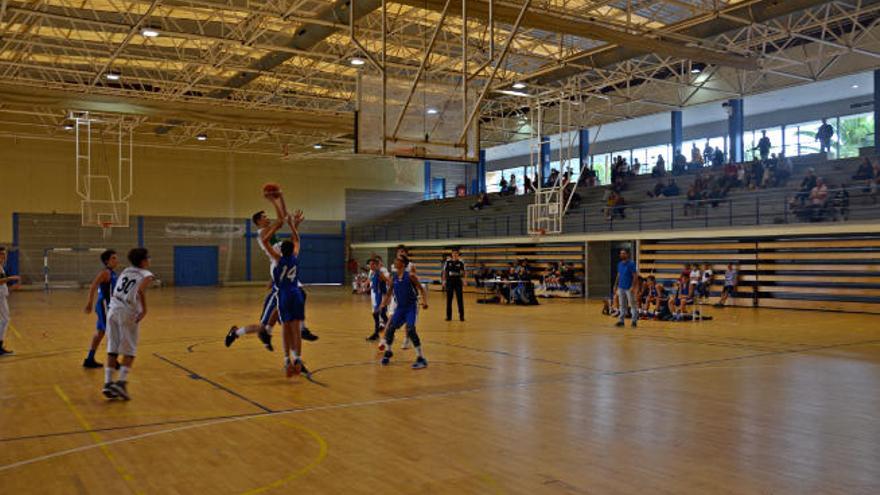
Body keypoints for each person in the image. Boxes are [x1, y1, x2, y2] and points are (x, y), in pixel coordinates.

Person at [102, 247, 155, 400]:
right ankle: (121, 383)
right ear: (144, 261)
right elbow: (139, 292)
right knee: (130, 349)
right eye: (148, 257)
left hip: (113, 309)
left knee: (113, 346)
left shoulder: (126, 271)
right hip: (127, 312)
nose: (150, 260)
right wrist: (144, 310)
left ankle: (108, 383)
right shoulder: (146, 274)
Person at [378, 254, 429, 369]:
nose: (395, 262)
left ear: (403, 264)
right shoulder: (394, 277)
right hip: (400, 308)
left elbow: (422, 289)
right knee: (390, 328)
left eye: (398, 260)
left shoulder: (410, 276)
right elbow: (389, 292)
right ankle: (388, 352)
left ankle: (421, 358)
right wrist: (383, 303)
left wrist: (425, 302)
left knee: (411, 330)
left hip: (411, 307)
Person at [272, 237, 311, 379]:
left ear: (281, 251)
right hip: (296, 294)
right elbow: (297, 241)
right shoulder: (295, 257)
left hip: (284, 295)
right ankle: (298, 359)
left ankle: (287, 359)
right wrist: (294, 226)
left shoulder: (278, 260)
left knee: (286, 328)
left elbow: (265, 243)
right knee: (296, 330)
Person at [82, 249, 119, 368]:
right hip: (104, 305)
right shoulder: (105, 273)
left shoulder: (113, 273)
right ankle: (113, 361)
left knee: (100, 333)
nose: (116, 260)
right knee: (112, 333)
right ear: (107, 261)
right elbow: (93, 286)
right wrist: (89, 303)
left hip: (108, 305)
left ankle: (90, 359)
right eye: (113, 258)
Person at [365, 256, 390, 342]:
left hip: (382, 296)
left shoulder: (380, 273)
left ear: (376, 265)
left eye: (372, 264)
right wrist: (366, 289)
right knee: (379, 314)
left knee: (379, 314)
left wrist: (388, 296)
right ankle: (378, 333)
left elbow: (388, 281)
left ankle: (387, 332)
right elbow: (373, 284)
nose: (370, 266)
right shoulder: (373, 273)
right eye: (370, 264)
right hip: (377, 296)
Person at [0, 247, 19, 356]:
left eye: (5, 254)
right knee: (5, 320)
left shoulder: (1, 267)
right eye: (2, 254)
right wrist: (10, 278)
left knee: (4, 320)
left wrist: (12, 288)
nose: (4, 256)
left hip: (2, 296)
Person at [613, 249, 639, 328]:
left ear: (627, 254)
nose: (622, 255)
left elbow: (635, 276)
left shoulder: (631, 264)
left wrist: (632, 286)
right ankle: (621, 321)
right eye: (621, 253)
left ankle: (634, 321)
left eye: (623, 253)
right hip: (621, 287)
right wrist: (615, 285)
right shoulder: (619, 264)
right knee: (622, 305)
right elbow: (618, 275)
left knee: (632, 304)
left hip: (629, 288)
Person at [442, 248, 466, 321]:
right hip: (449, 283)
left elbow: (463, 272)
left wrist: (464, 280)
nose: (455, 254)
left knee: (460, 300)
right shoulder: (447, 262)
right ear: (452, 254)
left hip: (458, 283)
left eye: (456, 253)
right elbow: (444, 272)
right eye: (453, 253)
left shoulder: (461, 263)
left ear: (458, 254)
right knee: (449, 300)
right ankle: (449, 317)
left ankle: (461, 316)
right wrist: (443, 281)